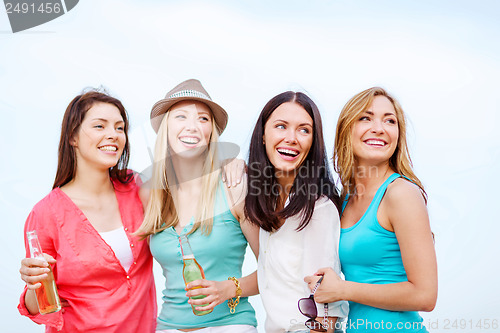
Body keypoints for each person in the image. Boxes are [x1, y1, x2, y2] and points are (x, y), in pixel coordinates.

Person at [18, 90, 157, 332]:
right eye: (99, 126)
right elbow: (40, 306)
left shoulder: (138, 188)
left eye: (119, 128)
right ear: (73, 137)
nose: (112, 135)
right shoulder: (46, 213)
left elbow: (189, 188)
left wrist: (232, 166)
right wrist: (34, 284)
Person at [305, 87, 438, 332]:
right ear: (347, 129)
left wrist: (343, 290)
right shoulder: (344, 201)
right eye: (365, 118)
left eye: (390, 120)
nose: (379, 128)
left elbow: (425, 295)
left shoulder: (401, 193)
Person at [135, 79, 259, 333]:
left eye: (203, 119)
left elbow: (275, 268)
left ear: (211, 132)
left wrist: (228, 288)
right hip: (167, 327)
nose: (192, 126)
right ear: (166, 128)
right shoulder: (151, 194)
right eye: (181, 116)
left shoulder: (234, 186)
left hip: (230, 326)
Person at [244, 91, 349, 333]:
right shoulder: (265, 200)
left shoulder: (318, 208)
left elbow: (325, 307)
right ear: (262, 135)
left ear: (313, 143)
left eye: (304, 130)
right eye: (281, 126)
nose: (291, 138)